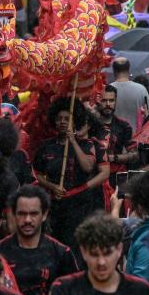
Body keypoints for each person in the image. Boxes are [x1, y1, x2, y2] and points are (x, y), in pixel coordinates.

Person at [47, 212, 149, 295]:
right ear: (83, 252)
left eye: (107, 254)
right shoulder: (64, 288)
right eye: (94, 254)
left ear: (119, 250)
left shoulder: (142, 291)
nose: (101, 262)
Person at [0, 185, 78, 295]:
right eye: (22, 213)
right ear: (14, 214)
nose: (27, 220)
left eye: (33, 214)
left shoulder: (61, 253)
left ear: (44, 215)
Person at [34, 98, 103, 252]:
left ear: (74, 121)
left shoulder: (87, 144)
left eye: (67, 119)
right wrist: (52, 187)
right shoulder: (46, 147)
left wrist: (72, 141)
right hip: (55, 208)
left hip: (80, 207)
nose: (63, 122)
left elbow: (87, 167)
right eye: (59, 119)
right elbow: (37, 174)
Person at [93, 85, 138, 187]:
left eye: (111, 100)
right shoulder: (91, 125)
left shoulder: (124, 126)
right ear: (99, 101)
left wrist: (115, 158)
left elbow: (134, 154)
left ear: (116, 101)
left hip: (116, 177)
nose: (108, 104)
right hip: (94, 177)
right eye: (104, 100)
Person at [109, 58, 149, 133]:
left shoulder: (108, 89)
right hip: (136, 135)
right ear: (129, 70)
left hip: (113, 136)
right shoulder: (141, 89)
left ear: (114, 71)